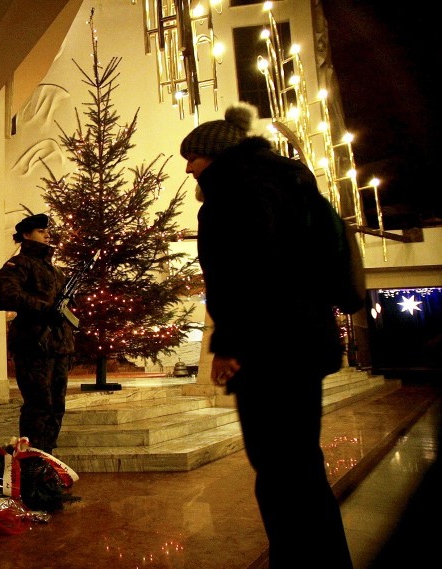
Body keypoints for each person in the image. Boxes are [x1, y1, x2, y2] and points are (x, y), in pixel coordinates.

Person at [180, 102, 354, 568]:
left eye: (193, 156)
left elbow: (245, 271)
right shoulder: (292, 184)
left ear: (215, 154)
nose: (189, 167)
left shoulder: (234, 192)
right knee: (300, 463)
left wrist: (229, 345)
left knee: (278, 469)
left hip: (267, 349)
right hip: (306, 340)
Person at [0, 213, 75, 455]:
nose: (47, 234)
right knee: (39, 406)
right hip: (34, 346)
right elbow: (5, 295)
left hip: (59, 347)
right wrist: (44, 308)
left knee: (56, 407)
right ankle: (32, 463)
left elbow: (64, 311)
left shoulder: (55, 270)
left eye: (47, 230)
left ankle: (48, 460)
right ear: (26, 235)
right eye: (40, 230)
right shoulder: (18, 265)